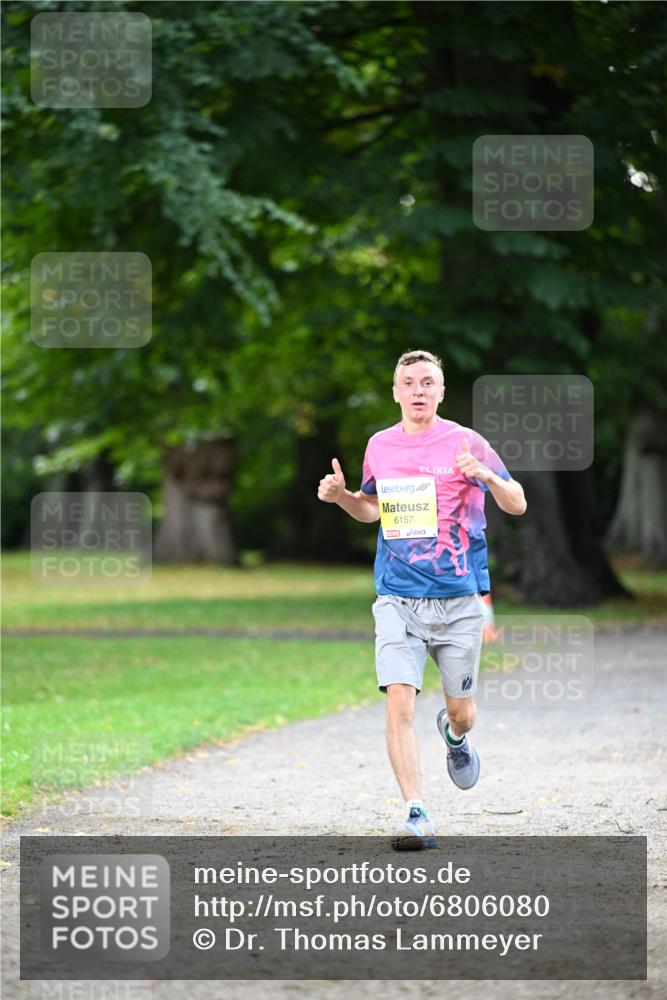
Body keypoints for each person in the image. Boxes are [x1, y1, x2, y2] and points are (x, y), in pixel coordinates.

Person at [317, 349, 527, 849]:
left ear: (441, 391)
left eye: (427, 382)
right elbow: (373, 510)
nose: (417, 390)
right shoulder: (380, 446)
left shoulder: (466, 441)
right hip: (397, 597)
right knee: (398, 703)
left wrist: (488, 475)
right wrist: (343, 497)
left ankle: (454, 737)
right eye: (408, 382)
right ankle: (416, 813)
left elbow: (516, 503)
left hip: (458, 602)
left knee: (463, 712)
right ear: (395, 391)